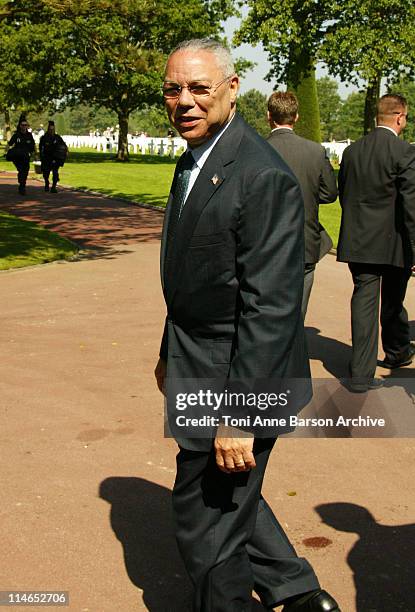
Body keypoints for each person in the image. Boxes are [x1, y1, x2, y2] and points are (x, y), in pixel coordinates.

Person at [154, 38, 340, 612]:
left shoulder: (261, 175)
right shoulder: (199, 156)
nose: (184, 100)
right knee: (229, 495)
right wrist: (168, 352)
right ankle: (298, 591)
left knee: (206, 525)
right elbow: (193, 279)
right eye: (173, 88)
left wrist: (240, 413)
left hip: (238, 376)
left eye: (199, 88)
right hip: (196, 360)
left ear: (232, 90)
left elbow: (272, 306)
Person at [337, 93, 415, 392]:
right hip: (395, 242)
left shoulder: (353, 151)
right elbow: (411, 205)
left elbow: (345, 193)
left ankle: (360, 373)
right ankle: (396, 352)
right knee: (393, 301)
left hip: (360, 240)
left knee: (364, 301)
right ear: (400, 117)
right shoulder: (405, 151)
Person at [267, 92, 338, 317]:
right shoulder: (315, 151)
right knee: (299, 309)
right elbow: (329, 193)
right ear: (296, 117)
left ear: (269, 116)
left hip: (266, 241)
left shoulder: (257, 148)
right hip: (304, 240)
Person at [7, 116, 35, 195]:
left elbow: (32, 146)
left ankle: (22, 185)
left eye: (25, 125)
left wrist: (34, 154)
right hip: (17, 157)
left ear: (27, 126)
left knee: (25, 171)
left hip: (26, 157)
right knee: (21, 171)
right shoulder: (16, 135)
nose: (24, 126)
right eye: (22, 125)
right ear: (20, 126)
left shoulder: (29, 135)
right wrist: (7, 151)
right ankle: (22, 185)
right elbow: (10, 144)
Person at [39, 120, 68, 193]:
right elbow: (40, 147)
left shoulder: (57, 137)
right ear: (48, 129)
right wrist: (40, 156)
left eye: (53, 129)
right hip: (46, 157)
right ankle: (46, 183)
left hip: (55, 158)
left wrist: (66, 151)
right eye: (50, 129)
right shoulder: (44, 138)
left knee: (55, 172)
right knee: (46, 173)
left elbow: (63, 145)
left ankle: (54, 187)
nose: (51, 131)